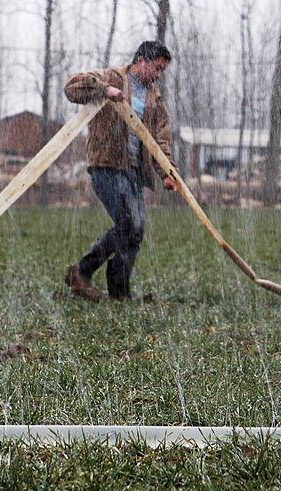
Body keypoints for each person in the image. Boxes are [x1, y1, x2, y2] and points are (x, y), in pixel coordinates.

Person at [62, 40, 178, 301]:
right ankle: (81, 271)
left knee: (135, 232)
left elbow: (161, 140)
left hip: (134, 171)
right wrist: (105, 90)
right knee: (128, 224)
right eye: (157, 68)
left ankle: (119, 292)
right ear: (141, 61)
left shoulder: (154, 99)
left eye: (162, 71)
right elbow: (72, 88)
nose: (158, 76)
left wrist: (167, 173)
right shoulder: (112, 76)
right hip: (107, 165)